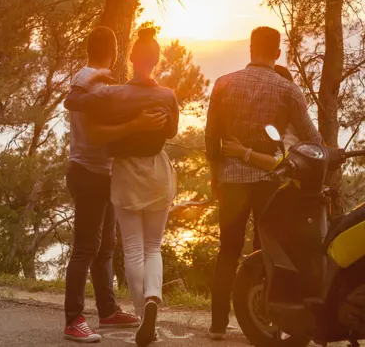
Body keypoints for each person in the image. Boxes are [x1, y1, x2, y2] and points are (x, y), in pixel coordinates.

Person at [64, 28, 179, 347]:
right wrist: (137, 125)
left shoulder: (88, 77)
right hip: (90, 171)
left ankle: (108, 309)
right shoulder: (97, 81)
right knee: (87, 248)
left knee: (106, 247)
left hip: (105, 172)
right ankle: (73, 319)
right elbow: (97, 132)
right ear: (115, 52)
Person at [205, 27, 321, 340]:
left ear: (251, 48)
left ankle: (217, 325)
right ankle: (264, 319)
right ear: (278, 53)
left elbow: (211, 137)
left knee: (228, 250)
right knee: (266, 252)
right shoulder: (287, 90)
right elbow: (312, 140)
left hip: (230, 180)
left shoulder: (223, 84)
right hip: (270, 183)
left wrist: (216, 175)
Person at [220, 65, 299, 252]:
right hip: (259, 186)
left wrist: (243, 152)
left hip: (283, 193)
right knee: (235, 246)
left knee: (264, 246)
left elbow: (281, 163)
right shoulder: (273, 120)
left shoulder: (291, 125)